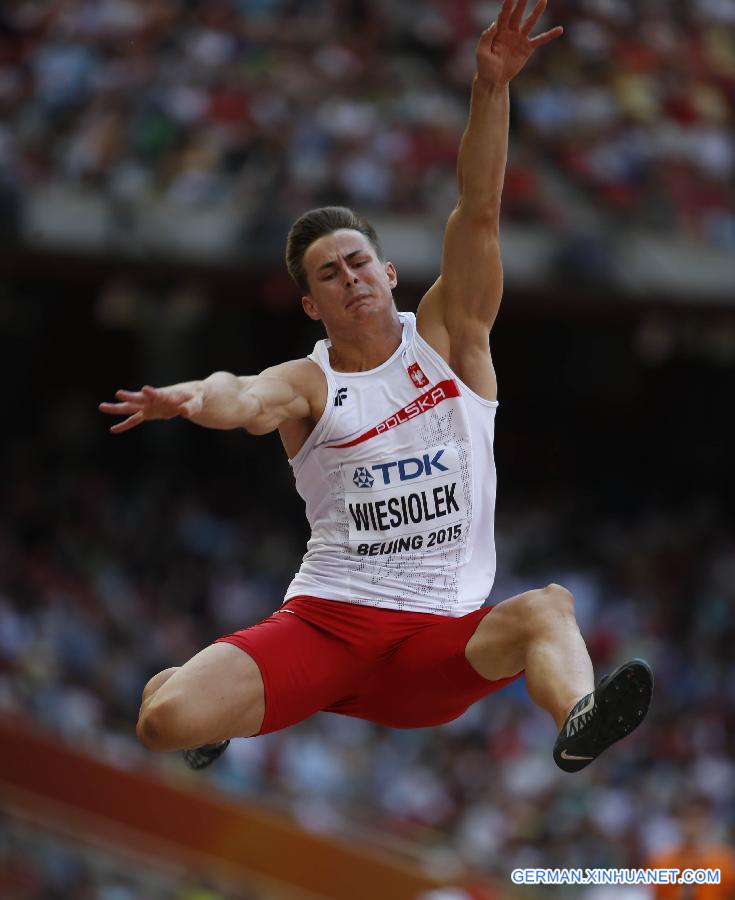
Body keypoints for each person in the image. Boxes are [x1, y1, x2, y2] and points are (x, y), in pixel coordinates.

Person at [100, 0, 652, 774]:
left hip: (436, 644)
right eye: (329, 273)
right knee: (163, 719)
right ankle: (210, 705)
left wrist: (490, 87)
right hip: (329, 627)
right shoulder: (308, 381)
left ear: (387, 273)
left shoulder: (451, 339)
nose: (349, 277)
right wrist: (191, 397)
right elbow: (244, 396)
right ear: (310, 303)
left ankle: (579, 717)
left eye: (358, 262)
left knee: (547, 608)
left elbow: (480, 214)